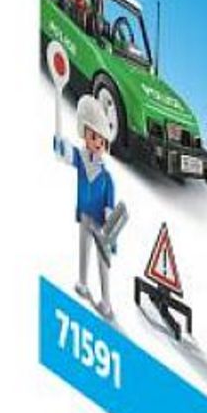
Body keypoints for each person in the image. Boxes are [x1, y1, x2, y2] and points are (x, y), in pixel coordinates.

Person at [54, 94, 127, 319]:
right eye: (93, 136)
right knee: (83, 251)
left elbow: (110, 205)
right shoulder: (81, 159)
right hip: (85, 216)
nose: (97, 143)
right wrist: (59, 143)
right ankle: (83, 283)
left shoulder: (107, 178)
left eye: (101, 140)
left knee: (102, 261)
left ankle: (106, 300)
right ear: (85, 133)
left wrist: (108, 226)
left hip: (100, 224)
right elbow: (65, 153)